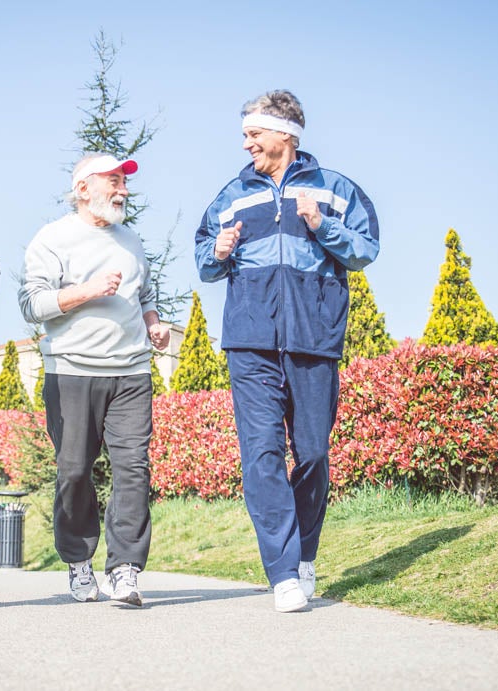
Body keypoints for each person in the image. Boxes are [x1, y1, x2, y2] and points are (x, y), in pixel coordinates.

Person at [195, 90, 379, 612]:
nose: (247, 142)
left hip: (314, 337)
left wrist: (323, 226)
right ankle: (282, 573)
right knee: (261, 454)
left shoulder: (335, 190)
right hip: (250, 339)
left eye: (255, 132)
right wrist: (218, 251)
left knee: (315, 453)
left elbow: (365, 250)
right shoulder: (232, 194)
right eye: (246, 134)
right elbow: (204, 259)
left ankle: (304, 556)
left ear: (286, 135)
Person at [18, 153, 170, 608]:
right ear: (84, 189)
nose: (123, 190)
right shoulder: (52, 238)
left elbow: (146, 293)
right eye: (113, 182)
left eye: (124, 183)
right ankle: (79, 562)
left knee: (133, 470)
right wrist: (88, 291)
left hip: (132, 371)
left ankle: (125, 570)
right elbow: (31, 305)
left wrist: (154, 322)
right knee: (75, 471)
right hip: (72, 370)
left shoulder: (132, 240)